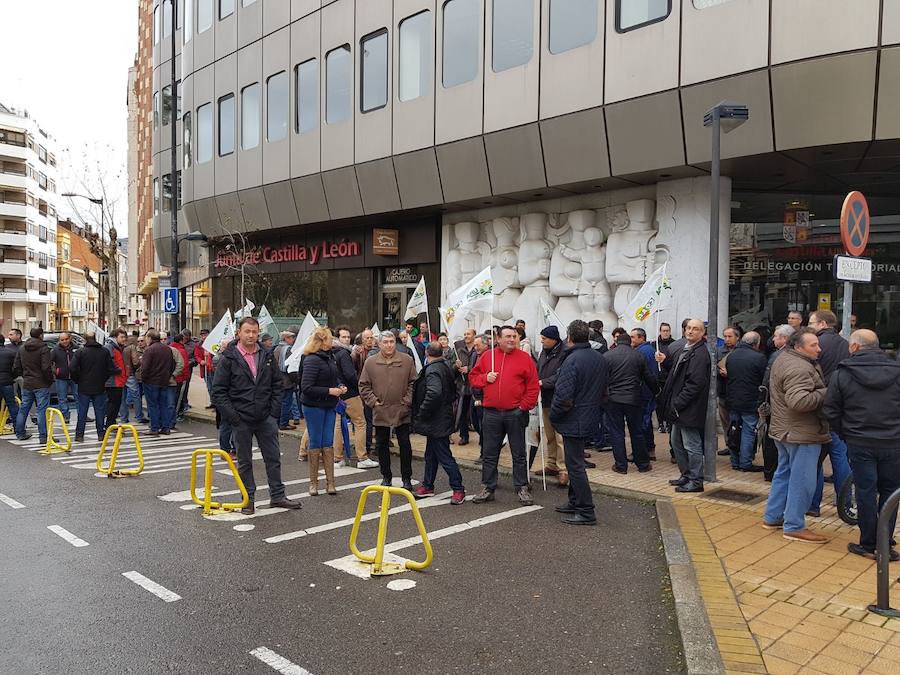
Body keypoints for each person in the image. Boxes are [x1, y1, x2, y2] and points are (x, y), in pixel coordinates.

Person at [212, 317, 302, 515]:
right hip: (241, 419)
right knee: (245, 461)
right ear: (239, 333)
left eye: (254, 332)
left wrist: (273, 413)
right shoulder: (229, 358)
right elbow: (218, 392)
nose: (251, 335)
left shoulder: (267, 355)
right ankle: (248, 499)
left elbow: (277, 385)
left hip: (265, 418)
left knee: (273, 458)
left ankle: (277, 495)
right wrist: (234, 417)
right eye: (247, 331)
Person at [824, 329, 900, 560]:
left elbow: (831, 409)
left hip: (859, 441)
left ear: (855, 347)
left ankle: (868, 544)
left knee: (866, 491)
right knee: (890, 492)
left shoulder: (842, 373)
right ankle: (885, 542)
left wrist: (845, 433)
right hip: (893, 442)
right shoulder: (897, 371)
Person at [763, 328, 830, 544]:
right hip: (801, 432)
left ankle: (773, 517)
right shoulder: (799, 367)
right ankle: (794, 525)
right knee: (802, 480)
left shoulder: (785, 358)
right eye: (813, 345)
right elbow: (799, 401)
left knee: (784, 474)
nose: (819, 349)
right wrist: (826, 392)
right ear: (798, 347)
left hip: (785, 430)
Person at [468, 325, 540, 505]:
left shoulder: (525, 359)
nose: (511, 339)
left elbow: (533, 386)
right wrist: (486, 378)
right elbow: (473, 378)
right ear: (498, 339)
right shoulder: (487, 357)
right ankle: (488, 487)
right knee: (490, 453)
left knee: (519, 453)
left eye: (514, 336)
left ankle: (522, 487)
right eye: (507, 336)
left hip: (515, 413)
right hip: (491, 413)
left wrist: (523, 407)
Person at [551, 320, 608, 526]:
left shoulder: (572, 360)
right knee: (576, 463)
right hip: (590, 416)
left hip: (574, 418)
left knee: (575, 466)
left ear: (570, 338)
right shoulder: (598, 358)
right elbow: (604, 391)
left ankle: (586, 510)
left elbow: (564, 396)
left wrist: (555, 416)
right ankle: (575, 501)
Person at [359, 331, 417, 489]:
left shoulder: (406, 360)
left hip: (402, 409)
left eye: (392, 341)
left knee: (405, 444)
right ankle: (386, 476)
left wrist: (407, 401)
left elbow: (414, 383)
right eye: (385, 342)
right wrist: (374, 402)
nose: (389, 345)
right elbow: (363, 385)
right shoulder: (370, 362)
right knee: (382, 444)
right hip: (381, 410)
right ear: (379, 344)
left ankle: (407, 478)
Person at [807, 309, 851, 515]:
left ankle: (813, 505)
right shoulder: (846, 344)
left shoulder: (814, 344)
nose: (810, 326)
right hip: (841, 409)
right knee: (841, 459)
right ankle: (845, 504)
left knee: (815, 460)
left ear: (823, 324)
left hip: (819, 409)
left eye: (812, 322)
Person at [658, 319, 710, 493]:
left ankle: (696, 480)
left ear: (702, 333)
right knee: (676, 442)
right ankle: (686, 475)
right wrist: (665, 362)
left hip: (688, 408)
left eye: (695, 329)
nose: (690, 331)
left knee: (691, 445)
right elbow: (676, 372)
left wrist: (677, 403)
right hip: (679, 408)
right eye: (688, 328)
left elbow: (694, 384)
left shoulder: (700, 353)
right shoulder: (687, 348)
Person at [412, 342, 466, 504]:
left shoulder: (433, 369)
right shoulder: (445, 366)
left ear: (427, 353)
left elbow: (434, 393)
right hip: (441, 417)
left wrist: (423, 411)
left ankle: (458, 488)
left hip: (436, 419)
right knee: (431, 454)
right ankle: (428, 485)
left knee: (443, 455)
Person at [300, 326, 345, 496]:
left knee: (328, 442)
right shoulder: (311, 359)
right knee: (315, 442)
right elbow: (307, 387)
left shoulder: (330, 357)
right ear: (322, 341)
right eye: (330, 338)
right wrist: (329, 391)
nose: (332, 340)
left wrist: (340, 386)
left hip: (329, 405)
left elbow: (334, 377)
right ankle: (313, 483)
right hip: (314, 406)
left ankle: (330, 483)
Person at [605, 331, 657, 474]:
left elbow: (602, 379)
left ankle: (621, 466)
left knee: (616, 432)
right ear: (629, 342)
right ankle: (643, 464)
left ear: (616, 342)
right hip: (634, 399)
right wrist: (657, 391)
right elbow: (649, 377)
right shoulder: (638, 356)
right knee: (637, 432)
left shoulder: (608, 356)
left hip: (613, 399)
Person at [722, 331, 767, 472]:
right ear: (756, 343)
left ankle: (735, 461)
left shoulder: (732, 355)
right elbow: (763, 379)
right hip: (750, 401)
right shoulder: (759, 357)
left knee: (734, 430)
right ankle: (745, 462)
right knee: (748, 431)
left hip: (733, 399)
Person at [332, 326, 376, 468]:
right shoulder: (344, 353)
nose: (346, 339)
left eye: (347, 336)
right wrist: (359, 386)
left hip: (337, 392)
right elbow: (350, 374)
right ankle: (362, 458)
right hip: (350, 393)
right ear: (337, 338)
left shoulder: (331, 352)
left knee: (338, 425)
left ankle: (337, 458)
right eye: (343, 337)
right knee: (360, 423)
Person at [760, 325, 795, 481]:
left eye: (776, 336)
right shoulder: (789, 355)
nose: (773, 339)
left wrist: (762, 402)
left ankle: (770, 471)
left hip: (775, 405)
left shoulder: (778, 356)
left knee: (771, 439)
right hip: (780, 405)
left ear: (784, 338)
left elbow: (767, 382)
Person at [69, 332, 117, 442]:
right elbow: (111, 368)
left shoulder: (81, 352)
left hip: (84, 385)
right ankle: (101, 433)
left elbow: (72, 368)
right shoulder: (104, 351)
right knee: (100, 411)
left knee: (82, 411)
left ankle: (79, 435)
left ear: (85, 339)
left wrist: (77, 379)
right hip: (99, 385)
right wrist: (103, 378)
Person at [536, 325, 567, 484]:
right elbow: (539, 369)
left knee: (560, 436)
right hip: (545, 399)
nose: (542, 341)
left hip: (559, 400)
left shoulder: (564, 353)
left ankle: (563, 469)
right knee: (549, 435)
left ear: (554, 339)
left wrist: (542, 382)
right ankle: (551, 464)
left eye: (545, 338)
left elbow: (560, 376)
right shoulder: (543, 352)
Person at [13, 327, 53, 443]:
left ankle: (20, 432)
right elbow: (46, 367)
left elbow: (16, 367)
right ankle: (43, 436)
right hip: (41, 383)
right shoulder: (43, 348)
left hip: (28, 382)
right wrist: (49, 380)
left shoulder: (22, 348)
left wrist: (25, 375)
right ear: (41, 335)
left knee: (24, 408)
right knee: (41, 410)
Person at [631, 327, 660, 460]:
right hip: (648, 392)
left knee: (641, 423)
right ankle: (649, 448)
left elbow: (646, 374)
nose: (631, 340)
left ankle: (642, 451)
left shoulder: (642, 352)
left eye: (633, 337)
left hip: (643, 393)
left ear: (641, 338)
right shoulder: (649, 350)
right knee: (646, 423)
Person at [140, 330, 176, 436]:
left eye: (146, 338)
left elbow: (145, 368)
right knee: (163, 404)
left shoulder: (149, 350)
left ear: (150, 338)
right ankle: (166, 427)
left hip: (151, 381)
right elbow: (172, 365)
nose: (146, 340)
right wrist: (168, 375)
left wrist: (143, 378)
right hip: (164, 381)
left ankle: (154, 427)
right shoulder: (167, 349)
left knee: (153, 405)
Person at [353, 328, 376, 459]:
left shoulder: (376, 350)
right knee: (364, 418)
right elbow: (354, 370)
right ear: (362, 340)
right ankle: (366, 445)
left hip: (374, 388)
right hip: (363, 389)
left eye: (371, 337)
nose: (369, 340)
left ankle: (369, 443)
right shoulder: (357, 353)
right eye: (366, 338)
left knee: (371, 417)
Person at [453, 328, 477, 446]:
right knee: (461, 411)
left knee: (475, 412)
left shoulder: (477, 349)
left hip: (474, 385)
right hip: (462, 385)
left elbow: (479, 366)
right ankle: (464, 436)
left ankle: (481, 436)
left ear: (474, 335)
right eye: (465, 334)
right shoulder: (459, 349)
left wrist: (469, 369)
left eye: (468, 334)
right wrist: (456, 367)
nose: (466, 336)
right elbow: (452, 365)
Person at [104, 328, 129, 429]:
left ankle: (111, 423)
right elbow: (110, 362)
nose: (124, 339)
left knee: (115, 404)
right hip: (113, 381)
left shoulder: (117, 347)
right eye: (122, 337)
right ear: (115, 337)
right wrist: (118, 370)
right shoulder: (111, 347)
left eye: (124, 337)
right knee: (113, 404)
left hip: (117, 380)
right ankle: (110, 424)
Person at [51, 332, 77, 423]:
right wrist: (56, 371)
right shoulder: (55, 350)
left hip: (75, 377)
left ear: (70, 338)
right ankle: (65, 416)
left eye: (66, 339)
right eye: (62, 340)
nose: (64, 341)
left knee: (78, 396)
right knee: (62, 398)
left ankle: (83, 415)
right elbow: (49, 362)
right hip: (61, 377)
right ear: (59, 340)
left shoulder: (76, 348)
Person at [275, 328, 298, 430]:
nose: (293, 339)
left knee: (280, 402)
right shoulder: (288, 349)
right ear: (287, 338)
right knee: (286, 403)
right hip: (287, 380)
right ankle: (284, 423)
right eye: (292, 337)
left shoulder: (276, 348)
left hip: (278, 380)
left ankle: (278, 422)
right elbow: (290, 366)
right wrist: (295, 380)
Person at [123, 334, 147, 423]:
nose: (139, 343)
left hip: (122, 374)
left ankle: (124, 418)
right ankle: (139, 416)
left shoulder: (120, 347)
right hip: (130, 373)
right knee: (136, 396)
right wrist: (140, 361)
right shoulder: (132, 348)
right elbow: (135, 362)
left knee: (123, 397)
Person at [0, 335, 19, 429]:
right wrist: (12, 376)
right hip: (7, 381)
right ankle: (18, 428)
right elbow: (16, 368)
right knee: (12, 404)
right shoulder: (11, 353)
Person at [170, 333, 190, 422]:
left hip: (171, 377)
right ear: (181, 340)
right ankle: (177, 414)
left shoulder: (170, 348)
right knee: (178, 397)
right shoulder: (181, 350)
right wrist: (186, 376)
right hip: (180, 377)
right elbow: (184, 365)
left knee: (172, 397)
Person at [196, 328, 213, 407]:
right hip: (205, 368)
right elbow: (196, 355)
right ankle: (212, 402)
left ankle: (216, 402)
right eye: (202, 335)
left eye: (205, 335)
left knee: (214, 385)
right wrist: (200, 361)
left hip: (212, 368)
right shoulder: (199, 345)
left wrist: (210, 355)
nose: (203, 337)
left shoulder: (213, 343)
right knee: (209, 386)